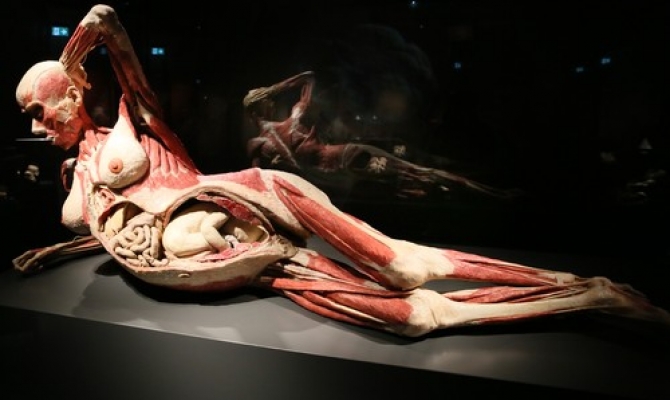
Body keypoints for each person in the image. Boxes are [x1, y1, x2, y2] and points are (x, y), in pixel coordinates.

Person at [13, 5, 670, 337]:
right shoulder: (78, 175)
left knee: (403, 264)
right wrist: (59, 248)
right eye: (31, 118)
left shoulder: (134, 120)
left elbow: (105, 20)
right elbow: (116, 229)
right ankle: (589, 296)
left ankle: (568, 279)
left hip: (245, 202)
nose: (39, 128)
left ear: (71, 95)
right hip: (244, 262)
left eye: (41, 111)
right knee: (412, 317)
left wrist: (72, 57)